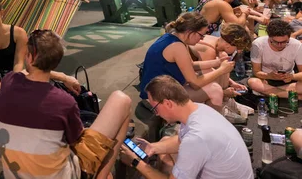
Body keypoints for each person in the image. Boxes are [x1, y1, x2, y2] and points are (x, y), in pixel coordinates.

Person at [0, 29, 132, 179]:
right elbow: (75, 139)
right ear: (56, 62)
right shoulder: (63, 102)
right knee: (122, 100)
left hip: (16, 174)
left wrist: (62, 77)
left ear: (29, 58)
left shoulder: (8, 81)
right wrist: (63, 77)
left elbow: (22, 72)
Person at [119, 75, 254, 179]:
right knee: (164, 144)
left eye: (155, 108)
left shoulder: (196, 138)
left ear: (168, 103)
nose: (157, 114)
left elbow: (190, 142)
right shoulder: (199, 110)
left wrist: (135, 162)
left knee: (163, 159)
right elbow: (181, 140)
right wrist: (153, 148)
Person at [139, 13, 234, 109]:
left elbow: (191, 65)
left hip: (158, 90)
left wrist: (218, 63)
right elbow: (195, 84)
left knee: (209, 72)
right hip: (157, 98)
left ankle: (222, 106)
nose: (202, 39)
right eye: (201, 35)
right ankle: (212, 119)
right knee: (215, 90)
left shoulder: (172, 37)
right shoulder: (177, 47)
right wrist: (221, 70)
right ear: (190, 32)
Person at [248, 19, 302, 99]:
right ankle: (295, 96)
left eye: (284, 42)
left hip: (288, 80)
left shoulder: (297, 45)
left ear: (289, 37)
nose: (280, 45)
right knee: (253, 82)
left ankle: (267, 93)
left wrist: (292, 77)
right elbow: (256, 71)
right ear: (269, 37)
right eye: (275, 42)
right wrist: (269, 76)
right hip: (266, 78)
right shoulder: (257, 44)